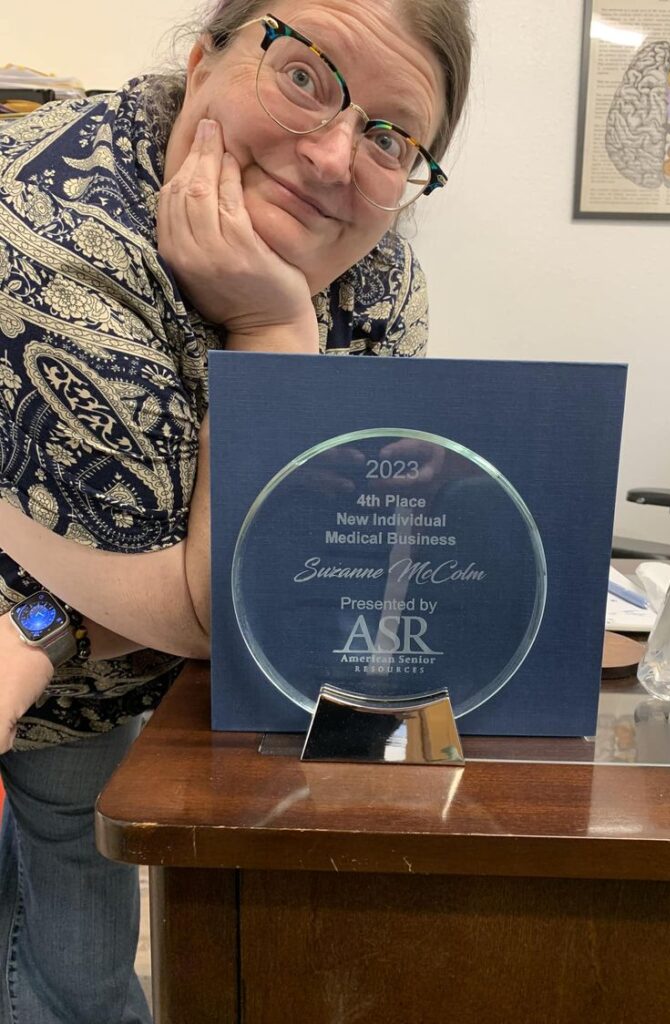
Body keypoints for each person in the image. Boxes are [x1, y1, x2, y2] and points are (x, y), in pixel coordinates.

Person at [0, 0, 472, 1020]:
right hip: (69, 685)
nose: (338, 155)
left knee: (80, 936)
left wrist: (56, 618)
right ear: (204, 55)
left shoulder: (381, 276)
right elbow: (235, 600)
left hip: (90, 675)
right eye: (306, 74)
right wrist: (269, 331)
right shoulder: (46, 221)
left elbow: (306, 578)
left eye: (393, 135)